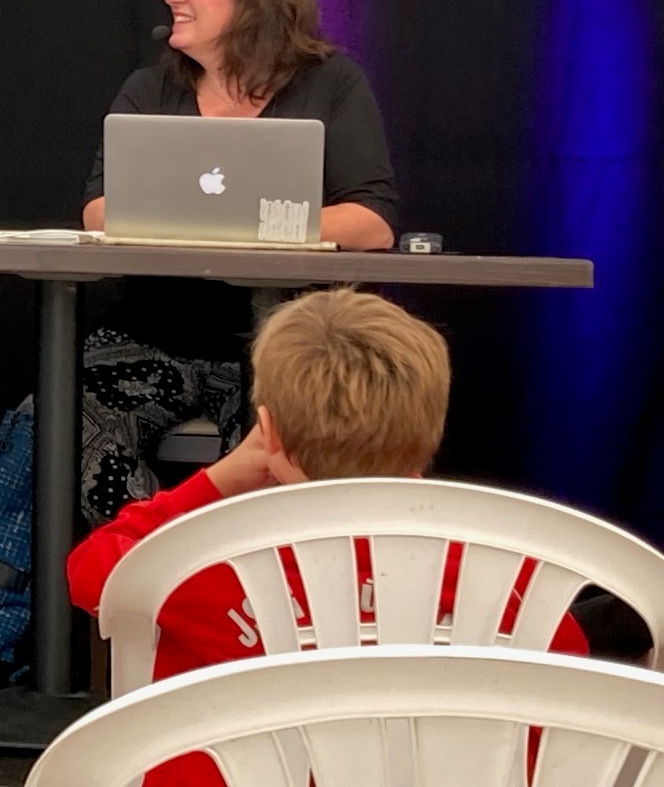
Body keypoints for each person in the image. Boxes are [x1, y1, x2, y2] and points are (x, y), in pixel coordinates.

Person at [67, 288, 586, 787]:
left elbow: (92, 571)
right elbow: (565, 678)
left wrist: (215, 479)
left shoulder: (207, 563)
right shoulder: (497, 583)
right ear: (430, 434)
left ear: (267, 432)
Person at [81, 0, 397, 252]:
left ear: (254, 1)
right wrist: (243, 225)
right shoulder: (149, 89)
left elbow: (372, 223)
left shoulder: (333, 83)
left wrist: (223, 225)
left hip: (294, 300)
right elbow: (99, 210)